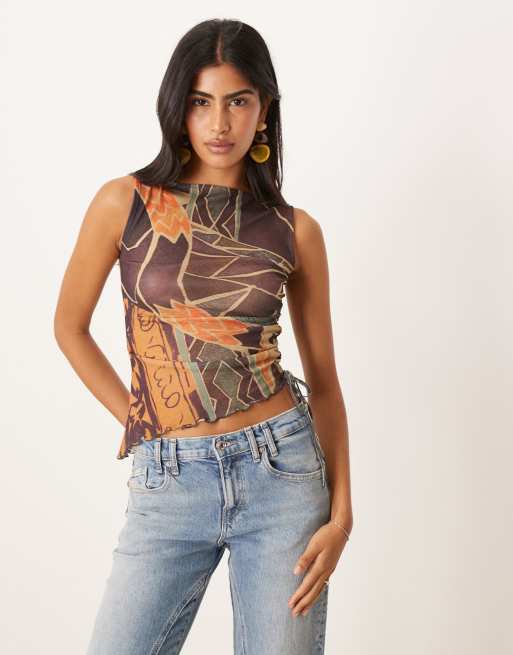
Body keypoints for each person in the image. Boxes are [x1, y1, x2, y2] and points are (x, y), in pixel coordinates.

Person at [54, 18, 353, 655]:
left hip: (282, 474)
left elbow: (325, 383)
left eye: (238, 101)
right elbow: (69, 327)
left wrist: (342, 514)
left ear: (264, 111)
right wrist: (140, 420)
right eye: (201, 101)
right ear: (177, 108)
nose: (220, 123)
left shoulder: (295, 231)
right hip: (169, 480)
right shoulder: (125, 203)